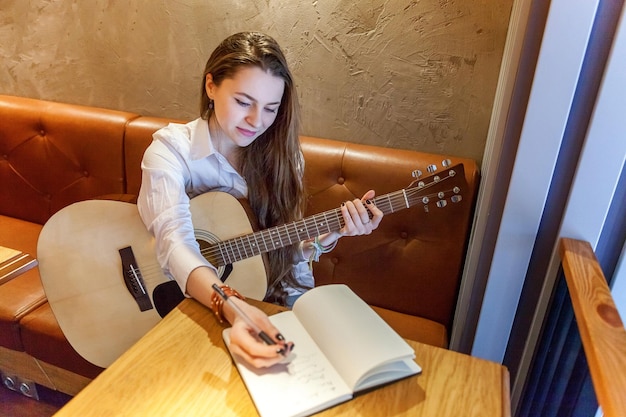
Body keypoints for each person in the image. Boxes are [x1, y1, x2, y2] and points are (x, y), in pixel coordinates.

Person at [137, 32, 383, 368]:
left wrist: (330, 235)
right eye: (243, 102)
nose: (257, 121)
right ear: (211, 86)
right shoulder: (171, 151)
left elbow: (284, 248)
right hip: (202, 301)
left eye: (271, 108)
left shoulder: (285, 157)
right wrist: (233, 306)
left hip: (275, 294)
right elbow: (174, 241)